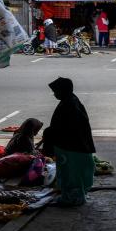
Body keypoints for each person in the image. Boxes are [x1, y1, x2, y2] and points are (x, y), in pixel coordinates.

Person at [45, 77, 95, 206]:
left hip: (70, 146)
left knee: (71, 172)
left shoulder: (69, 105)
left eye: (56, 91)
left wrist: (49, 134)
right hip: (74, 145)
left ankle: (72, 198)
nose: (54, 94)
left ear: (63, 91)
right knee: (74, 172)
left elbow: (65, 127)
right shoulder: (71, 100)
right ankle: (74, 196)